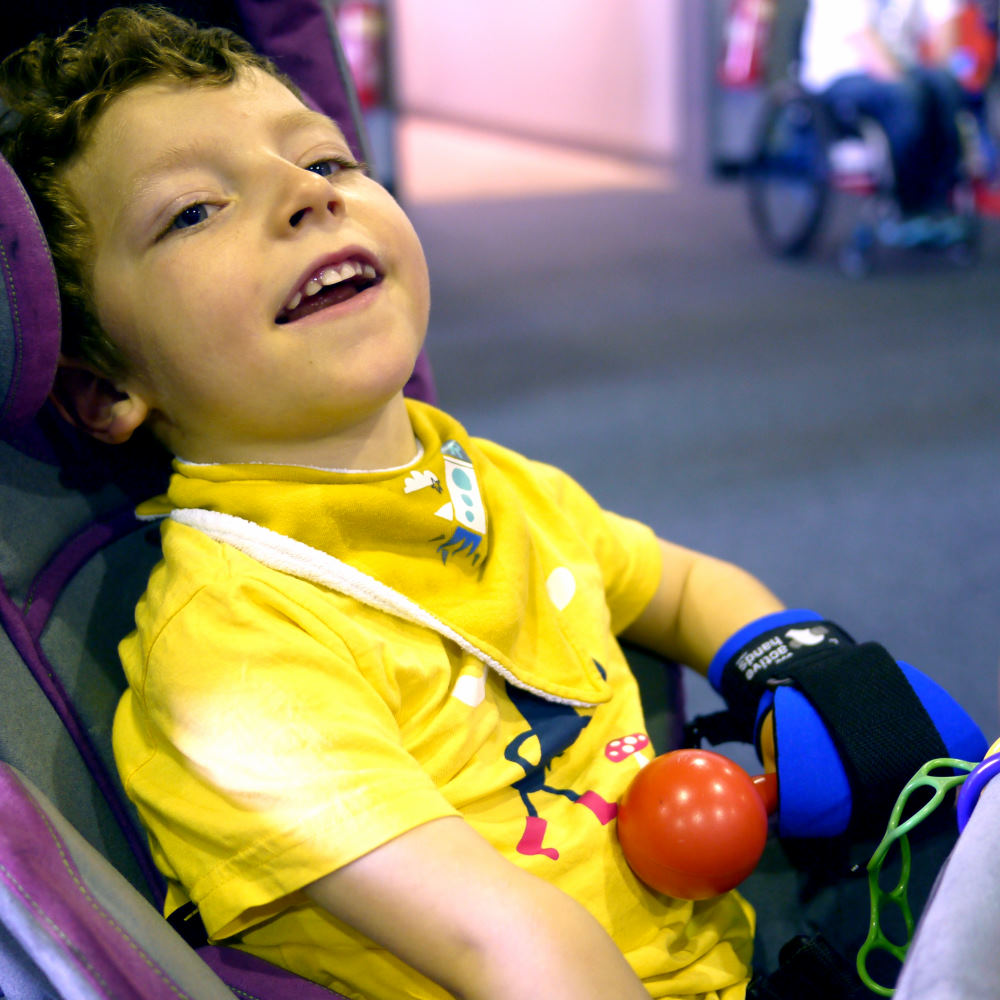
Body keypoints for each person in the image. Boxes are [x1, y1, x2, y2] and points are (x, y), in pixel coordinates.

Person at [0, 7, 985, 998]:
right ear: (103, 391)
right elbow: (509, 945)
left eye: (330, 163)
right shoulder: (235, 650)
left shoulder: (480, 478)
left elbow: (675, 585)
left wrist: (785, 655)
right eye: (195, 211)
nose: (307, 197)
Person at [799, 0, 967, 222]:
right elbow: (862, 38)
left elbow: (944, 18)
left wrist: (940, 75)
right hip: (840, 76)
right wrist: (913, 86)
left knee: (943, 85)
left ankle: (939, 202)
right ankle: (907, 205)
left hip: (901, 72)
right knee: (905, 98)